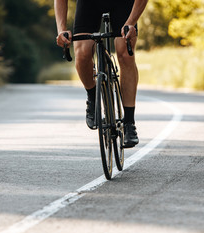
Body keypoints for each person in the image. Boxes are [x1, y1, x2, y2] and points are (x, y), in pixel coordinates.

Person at [55, 0, 147, 148]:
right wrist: (61, 30)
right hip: (90, 4)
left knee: (125, 54)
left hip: (124, 4)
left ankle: (129, 122)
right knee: (83, 53)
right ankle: (93, 97)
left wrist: (131, 22)